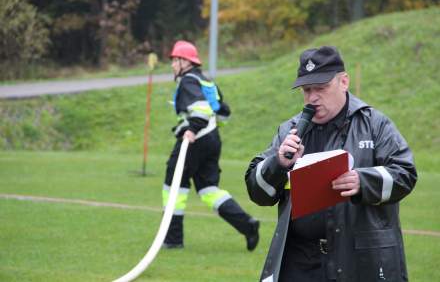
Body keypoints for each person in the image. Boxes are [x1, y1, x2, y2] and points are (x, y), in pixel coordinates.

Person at [245, 46, 417, 281]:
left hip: (358, 259)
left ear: (344, 82)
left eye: (321, 88)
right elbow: (258, 193)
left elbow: (405, 174)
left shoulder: (375, 124)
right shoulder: (290, 131)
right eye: (306, 90)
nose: (312, 97)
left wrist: (363, 181)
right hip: (300, 262)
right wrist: (277, 163)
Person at [162, 40, 260, 251]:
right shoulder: (205, 80)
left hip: (194, 139)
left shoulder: (188, 81)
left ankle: (172, 239)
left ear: (184, 62)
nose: (172, 65)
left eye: (174, 60)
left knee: (173, 185)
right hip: (212, 139)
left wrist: (192, 129)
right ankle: (247, 225)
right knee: (208, 190)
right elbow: (223, 110)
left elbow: (201, 111)